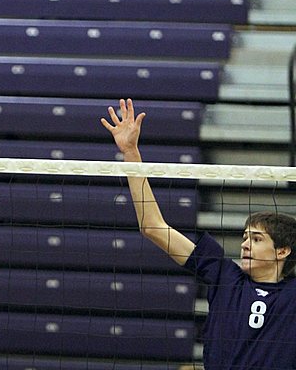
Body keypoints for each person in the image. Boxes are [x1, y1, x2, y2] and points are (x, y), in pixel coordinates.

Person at [101, 98, 296, 369]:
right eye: (244, 238)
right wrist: (131, 153)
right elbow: (153, 226)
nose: (245, 245)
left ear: (282, 251)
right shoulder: (224, 275)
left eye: (257, 239)